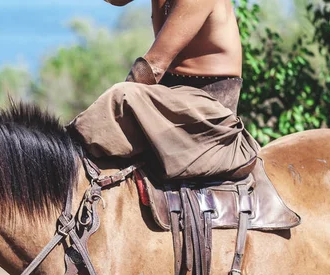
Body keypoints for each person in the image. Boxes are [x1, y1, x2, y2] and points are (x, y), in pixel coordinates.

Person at [68, 0, 260, 180]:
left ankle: (65, 146)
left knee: (123, 95)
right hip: (172, 97)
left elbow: (154, 66)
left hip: (208, 106)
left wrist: (118, 107)